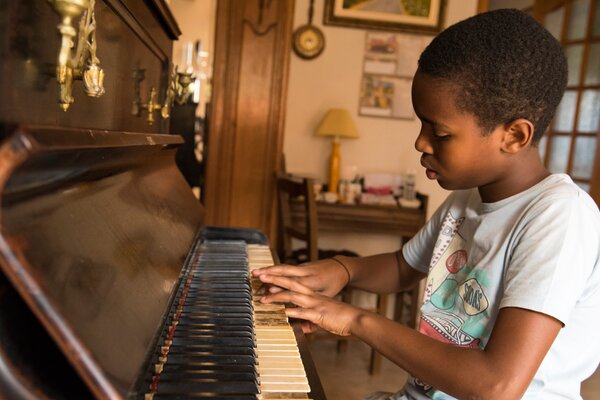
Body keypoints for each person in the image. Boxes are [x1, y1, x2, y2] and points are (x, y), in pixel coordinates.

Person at [252, 8, 600, 400]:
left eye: (440, 132)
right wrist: (342, 270)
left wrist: (356, 320)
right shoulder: (466, 199)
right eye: (421, 125)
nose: (421, 143)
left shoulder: (560, 217)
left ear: (514, 136)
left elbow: (496, 385)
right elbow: (404, 266)